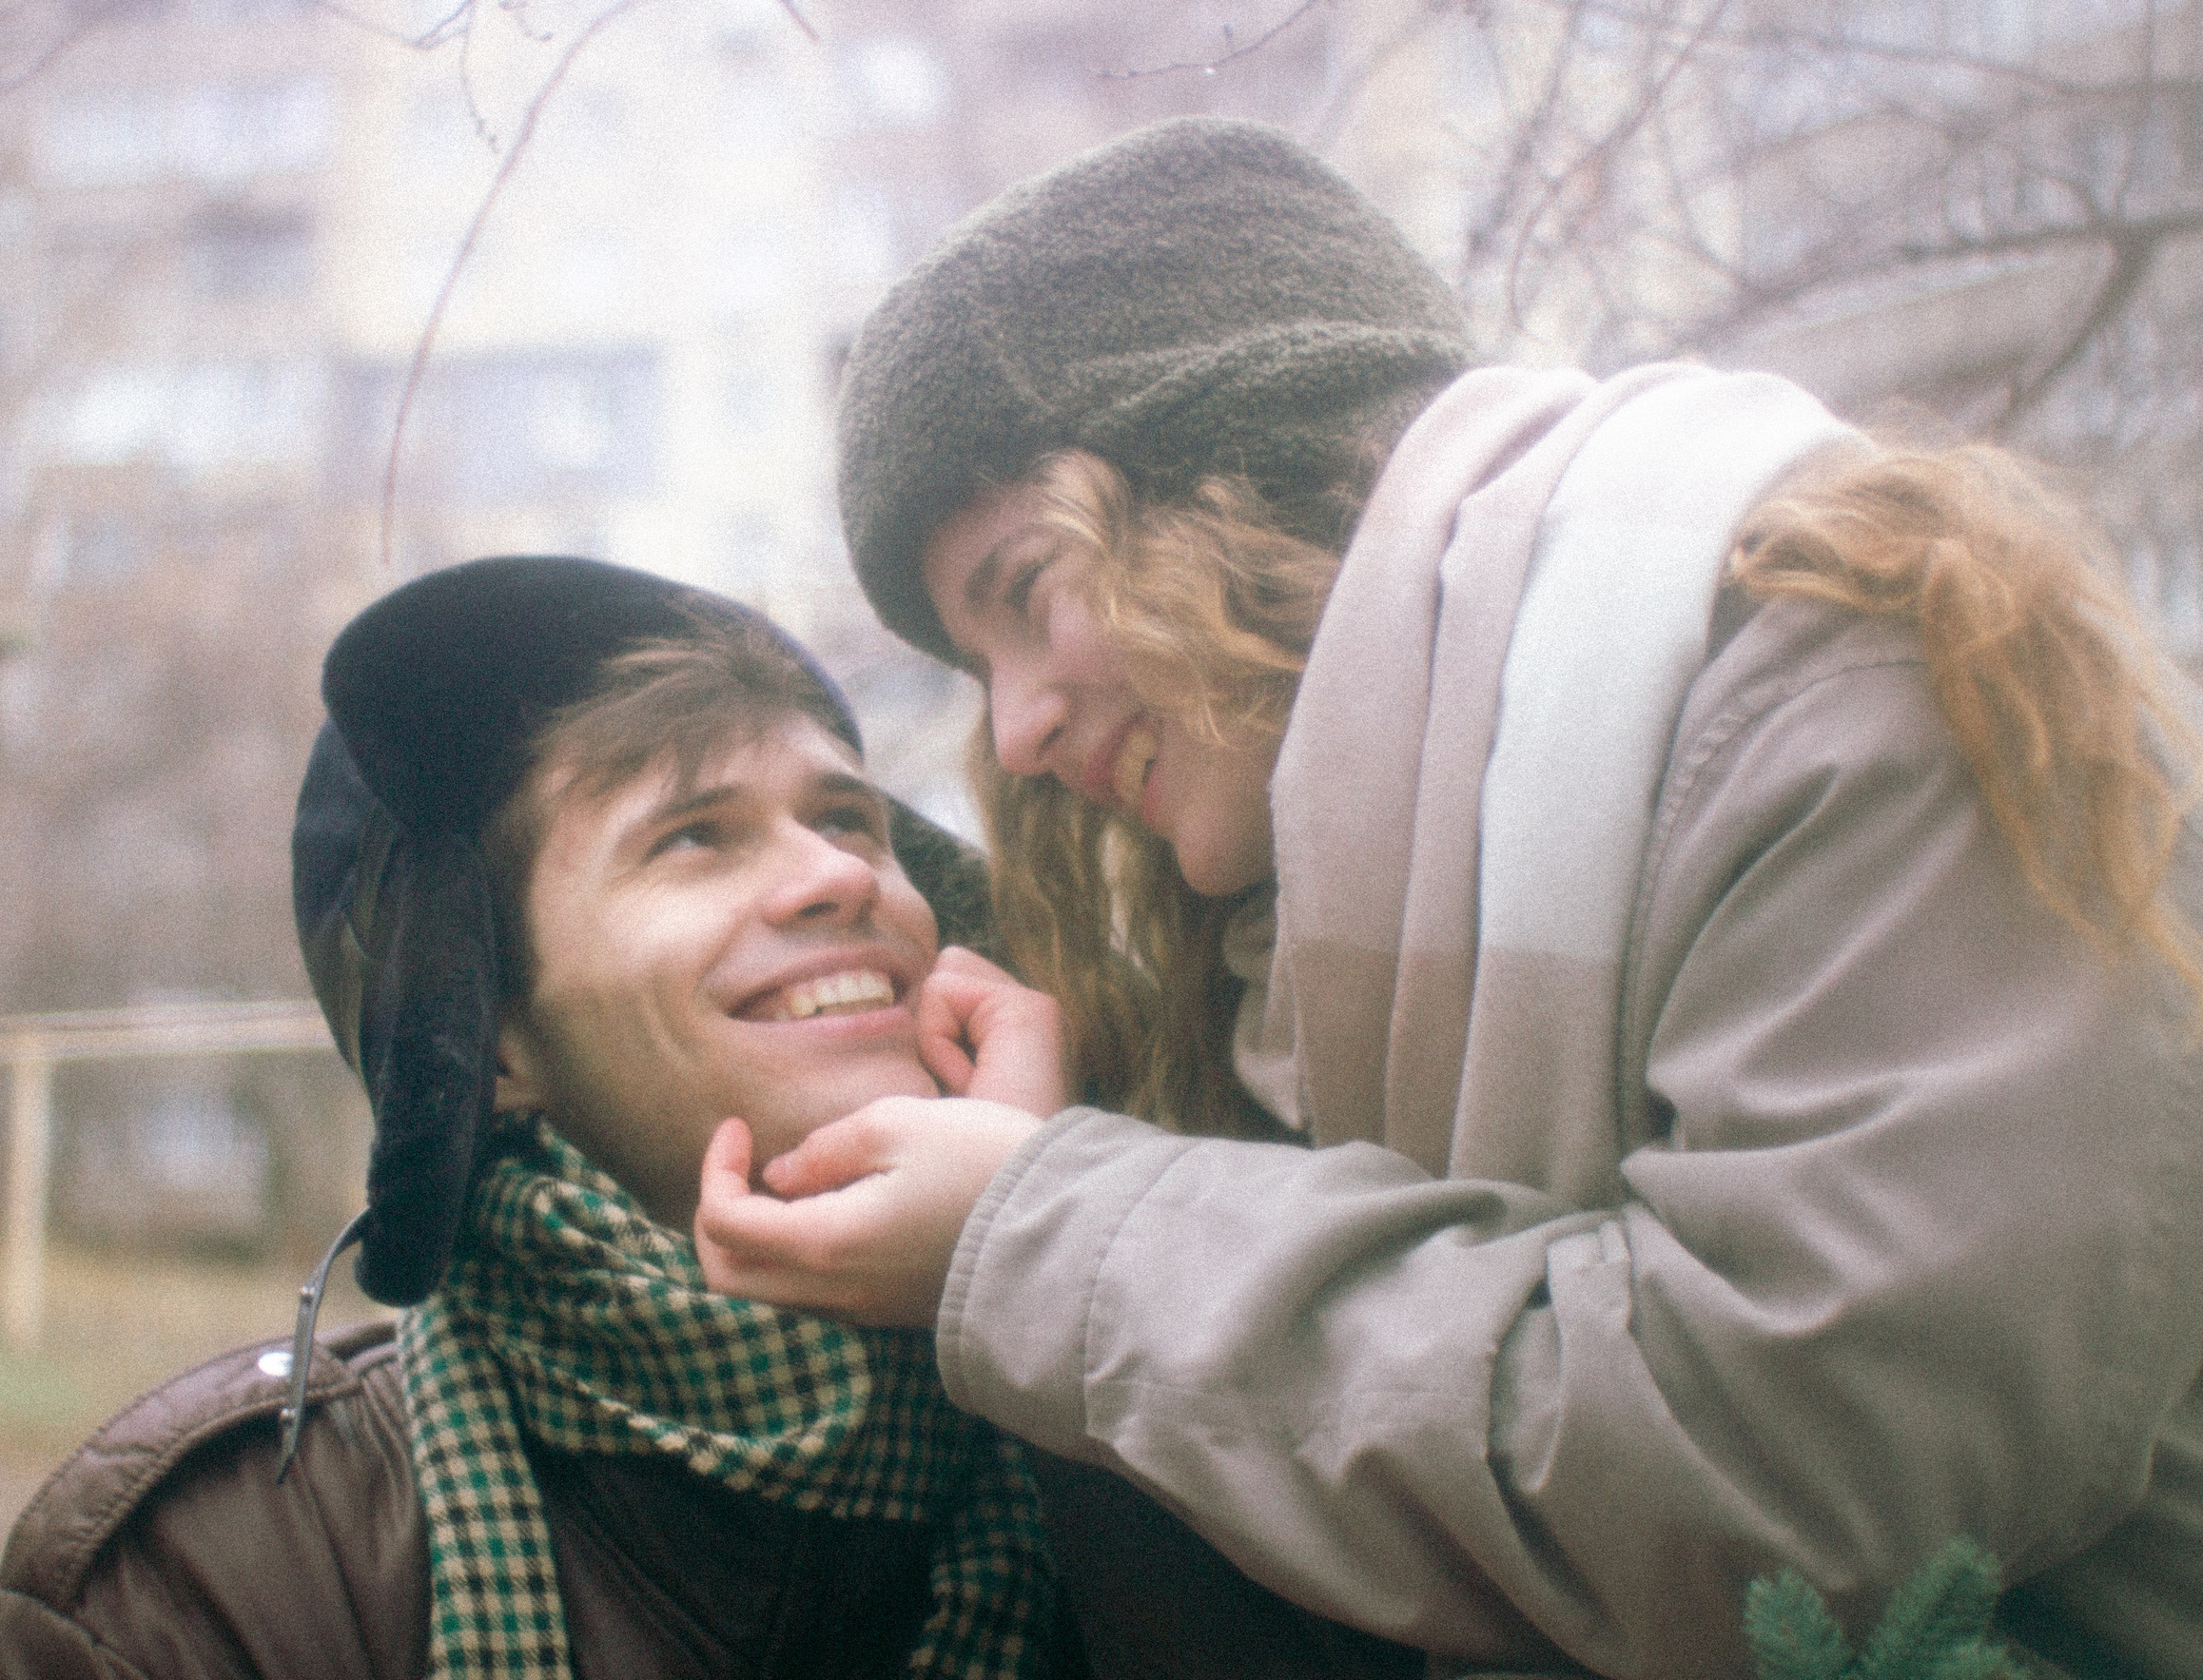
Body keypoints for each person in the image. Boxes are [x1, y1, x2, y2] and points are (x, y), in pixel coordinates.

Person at [693, 118, 2203, 1679]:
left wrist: (1044, 1232)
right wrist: (1052, 1158)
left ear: (1237, 480)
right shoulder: (1290, 937)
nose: (1014, 731)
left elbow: (1804, 1474)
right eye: (976, 666)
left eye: (1024, 595)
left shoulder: (1845, 680)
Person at [0, 555, 1086, 1680]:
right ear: (493, 1042)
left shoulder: (1133, 1427)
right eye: (695, 835)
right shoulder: (208, 1585)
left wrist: (1050, 1256)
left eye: (847, 818)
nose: (844, 875)